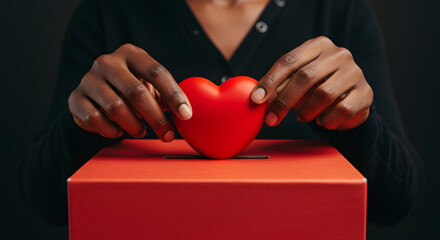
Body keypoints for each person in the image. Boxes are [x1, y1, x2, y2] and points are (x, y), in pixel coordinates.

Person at [19, 0, 423, 227]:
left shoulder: (341, 12)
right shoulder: (106, 13)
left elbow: (397, 201)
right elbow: (44, 200)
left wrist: (358, 125)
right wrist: (82, 127)